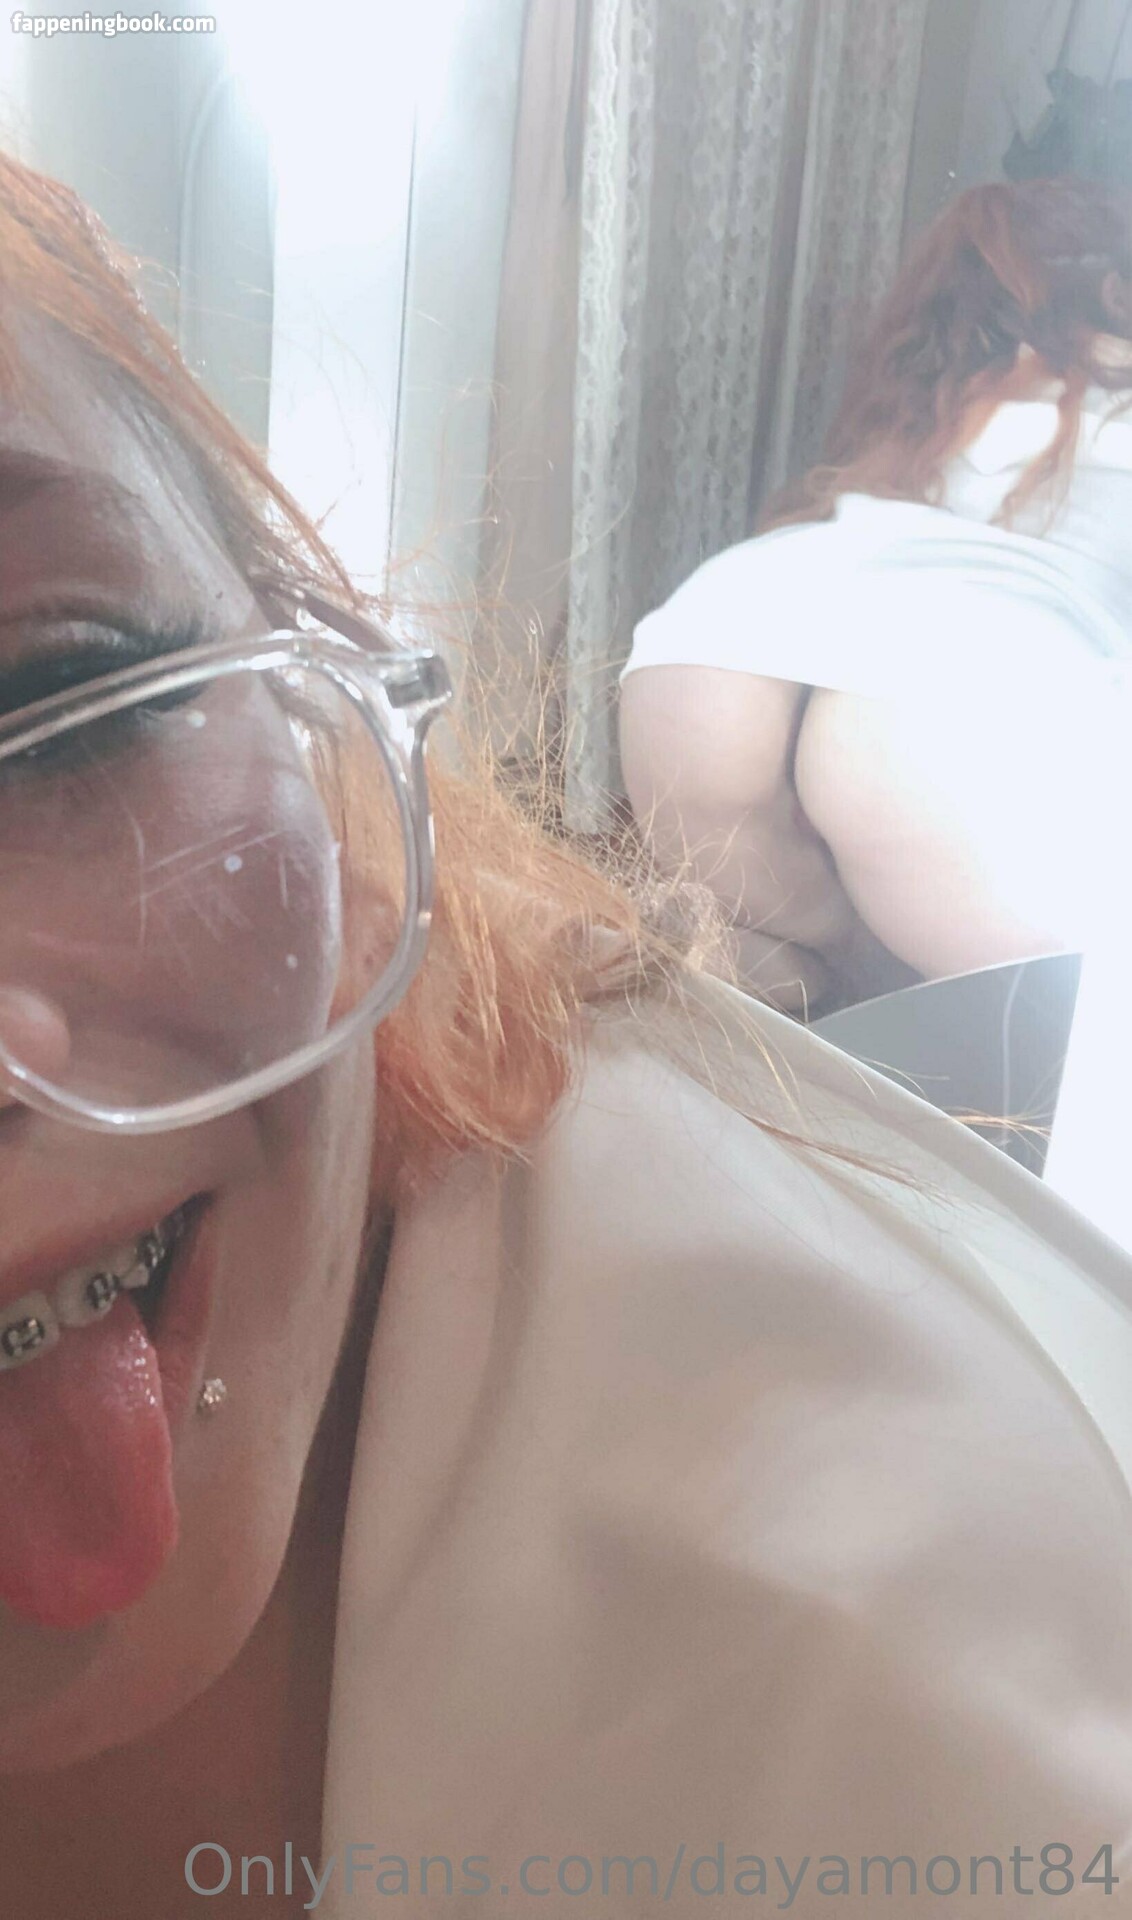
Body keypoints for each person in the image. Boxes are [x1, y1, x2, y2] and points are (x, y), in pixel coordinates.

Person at [0, 151, 1131, 1920]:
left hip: (735, 638)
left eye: (59, 699)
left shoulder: (910, 1697)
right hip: (943, 685)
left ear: (326, 700)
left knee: (764, 992)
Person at [619, 177, 1132, 1017]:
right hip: (963, 692)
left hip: (714, 639)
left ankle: (833, 967)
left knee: (791, 962)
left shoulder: (945, 395)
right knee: (1011, 1027)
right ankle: (877, 984)